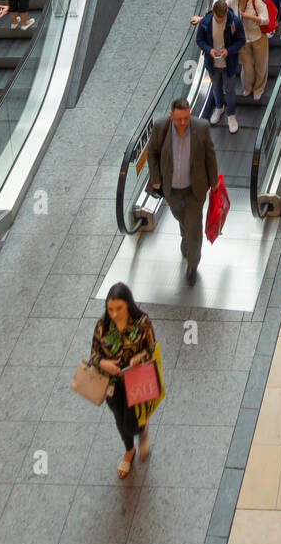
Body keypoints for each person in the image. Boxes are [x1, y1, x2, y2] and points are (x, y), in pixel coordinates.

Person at [146, 97, 219, 285]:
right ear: (171, 116)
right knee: (181, 218)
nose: (183, 123)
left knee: (194, 227)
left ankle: (193, 265)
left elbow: (210, 155)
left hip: (195, 189)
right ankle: (185, 238)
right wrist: (155, 179)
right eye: (179, 119)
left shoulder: (201, 128)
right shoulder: (161, 128)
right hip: (171, 189)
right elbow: (152, 152)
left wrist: (213, 181)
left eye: (186, 118)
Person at [89, 283, 158, 479]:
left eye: (119, 308)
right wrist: (104, 364)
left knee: (132, 423)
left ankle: (142, 430)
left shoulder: (142, 322)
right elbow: (93, 355)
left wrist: (140, 358)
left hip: (136, 380)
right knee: (119, 419)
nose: (115, 313)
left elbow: (152, 348)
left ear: (128, 304)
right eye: (111, 309)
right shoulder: (102, 325)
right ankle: (129, 450)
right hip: (112, 383)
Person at [193, 0, 246, 134]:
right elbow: (199, 40)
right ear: (214, 13)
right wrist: (209, 49)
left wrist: (228, 51)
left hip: (229, 64)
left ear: (227, 12)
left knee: (229, 90)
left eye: (221, 19)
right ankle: (219, 108)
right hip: (212, 64)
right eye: (217, 18)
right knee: (216, 88)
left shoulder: (235, 22)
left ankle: (231, 115)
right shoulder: (206, 21)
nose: (219, 21)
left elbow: (241, 40)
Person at [227, 0, 269, 100]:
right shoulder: (232, 0)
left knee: (260, 66)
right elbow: (220, 9)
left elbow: (266, 20)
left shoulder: (256, 2)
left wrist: (251, 17)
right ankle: (248, 87)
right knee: (247, 67)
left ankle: (258, 89)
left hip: (258, 38)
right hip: (242, 39)